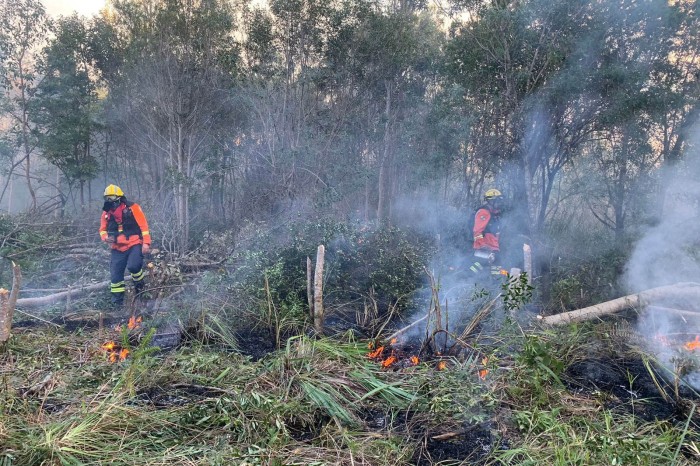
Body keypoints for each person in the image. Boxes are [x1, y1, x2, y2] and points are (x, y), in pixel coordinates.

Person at [99, 184, 151, 306]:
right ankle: (117, 305)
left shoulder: (133, 208)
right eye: (107, 198)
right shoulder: (106, 213)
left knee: (134, 266)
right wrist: (105, 237)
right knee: (116, 276)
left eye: (111, 198)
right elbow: (102, 229)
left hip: (134, 243)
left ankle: (140, 291)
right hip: (117, 247)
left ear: (119, 197)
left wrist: (146, 243)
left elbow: (144, 227)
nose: (109, 201)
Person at [469, 188, 504, 279]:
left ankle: (493, 287)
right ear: (491, 201)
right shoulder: (484, 212)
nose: (499, 203)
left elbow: (495, 234)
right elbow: (477, 230)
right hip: (484, 248)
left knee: (495, 271)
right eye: (497, 201)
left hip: (493, 249)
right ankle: (465, 281)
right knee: (477, 267)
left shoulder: (495, 215)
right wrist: (483, 246)